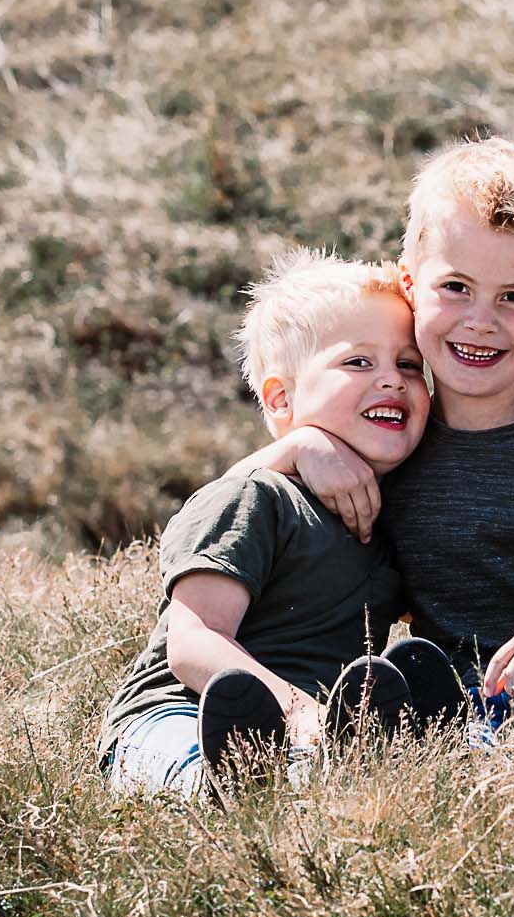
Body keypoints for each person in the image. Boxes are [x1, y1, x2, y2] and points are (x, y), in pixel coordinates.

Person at [234, 137, 514, 754]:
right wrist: (303, 445)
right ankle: (458, 753)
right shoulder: (393, 439)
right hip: (439, 698)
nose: (480, 320)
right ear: (411, 287)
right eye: (457, 288)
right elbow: (229, 497)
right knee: (407, 712)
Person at [97, 252, 464, 802]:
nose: (391, 379)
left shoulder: (394, 519)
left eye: (410, 365)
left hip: (315, 727)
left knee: (323, 763)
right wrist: (294, 711)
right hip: (178, 709)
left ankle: (382, 751)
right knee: (179, 757)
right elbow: (193, 643)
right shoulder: (255, 496)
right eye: (358, 362)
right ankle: (219, 785)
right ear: (282, 399)